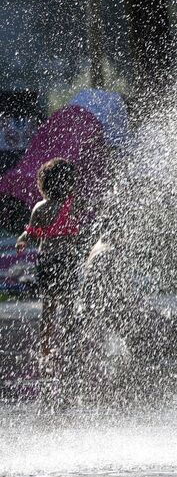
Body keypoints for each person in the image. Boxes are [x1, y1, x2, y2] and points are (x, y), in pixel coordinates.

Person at [16, 158, 86, 388]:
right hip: (68, 260)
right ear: (70, 184)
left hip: (47, 261)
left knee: (49, 305)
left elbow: (33, 232)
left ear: (44, 184)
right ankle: (72, 343)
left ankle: (45, 346)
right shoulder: (73, 205)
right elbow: (80, 231)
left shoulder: (41, 208)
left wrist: (23, 239)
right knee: (69, 301)